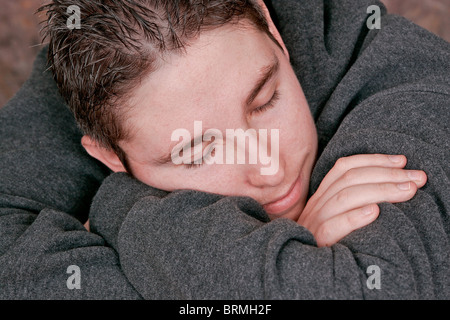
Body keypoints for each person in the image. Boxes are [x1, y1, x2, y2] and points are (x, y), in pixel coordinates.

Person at [0, 0, 448, 299]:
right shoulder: (97, 74)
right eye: (197, 153)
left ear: (270, 26)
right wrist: (291, 260)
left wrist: (120, 210)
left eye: (266, 99)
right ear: (110, 158)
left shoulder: (414, 84)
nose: (269, 169)